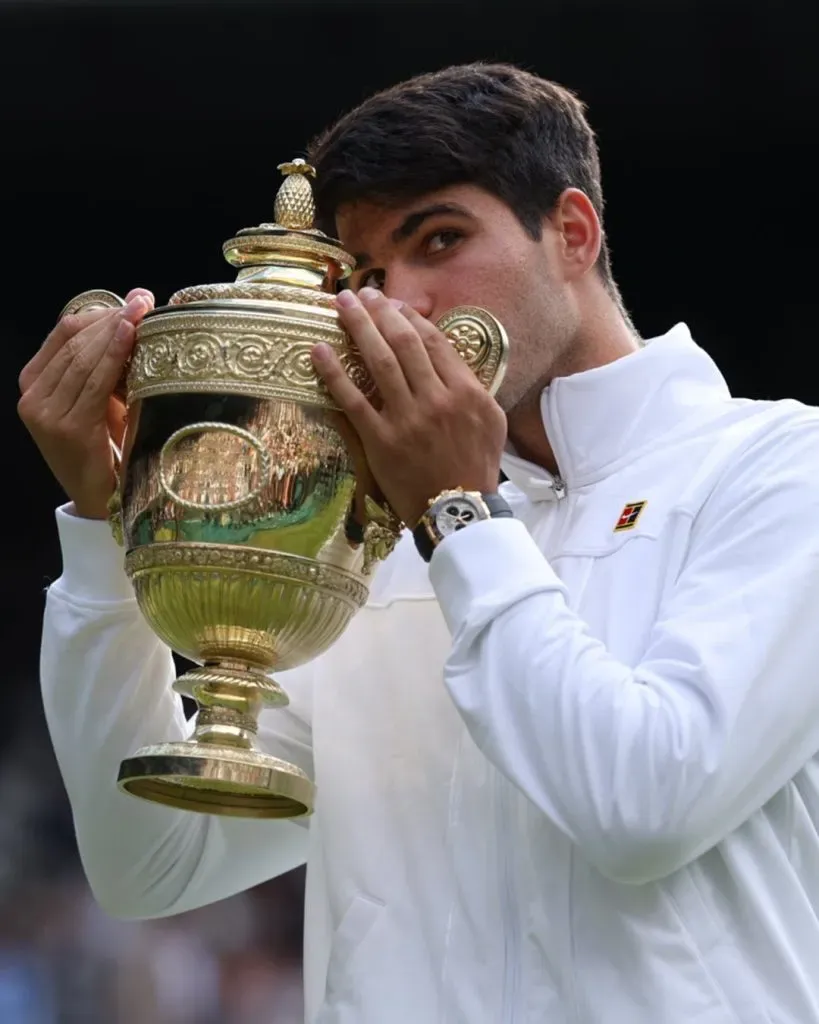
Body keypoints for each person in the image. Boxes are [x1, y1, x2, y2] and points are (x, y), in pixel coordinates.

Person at [17, 62, 819, 1023]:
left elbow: (645, 807)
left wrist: (457, 511)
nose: (398, 306)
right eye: (363, 276)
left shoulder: (779, 467)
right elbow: (150, 864)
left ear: (572, 233)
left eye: (440, 239)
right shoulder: (373, 540)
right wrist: (109, 531)